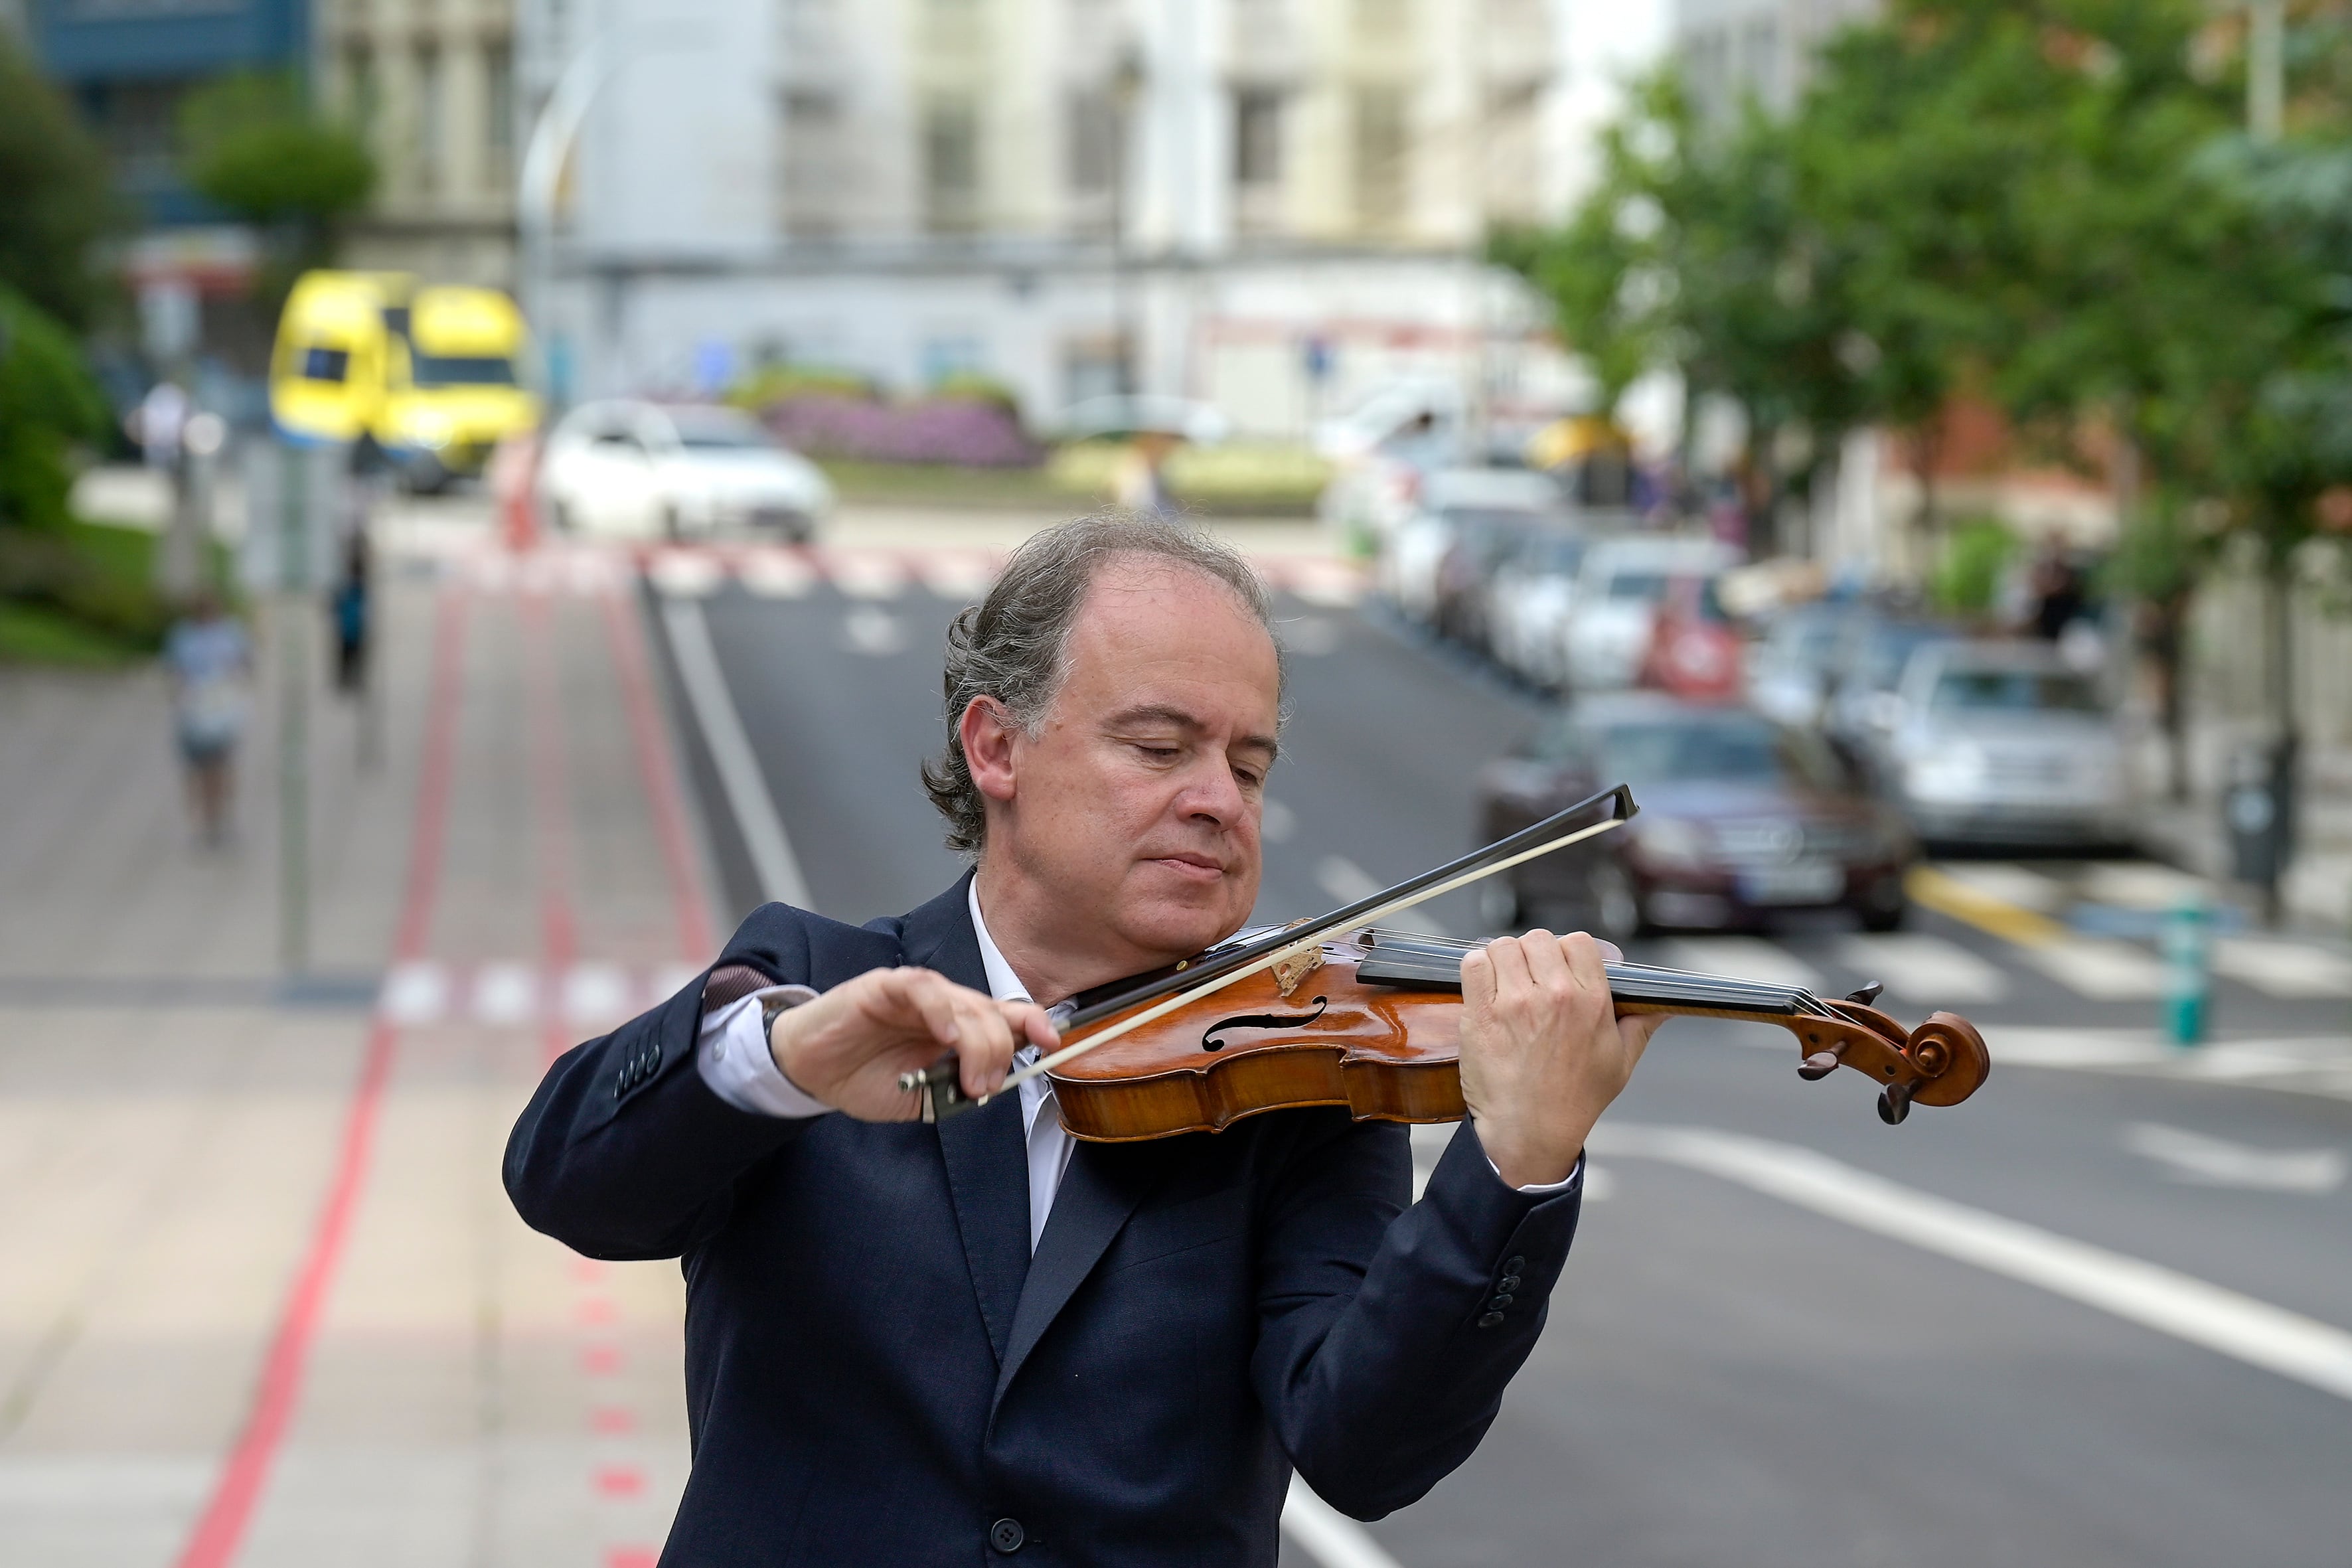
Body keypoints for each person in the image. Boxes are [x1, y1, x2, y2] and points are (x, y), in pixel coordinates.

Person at [505, 516, 1664, 1565]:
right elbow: (564, 1181)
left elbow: (1364, 1446)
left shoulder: (1296, 1082)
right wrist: (782, 1060)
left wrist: (1518, 1160)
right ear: (996, 748)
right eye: (1161, 748)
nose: (1219, 799)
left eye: (1246, 765)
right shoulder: (818, 989)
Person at [163, 590, 251, 847]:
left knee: (221, 769)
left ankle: (221, 820)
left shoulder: (230, 634)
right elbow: (176, 673)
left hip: (222, 711)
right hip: (195, 711)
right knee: (198, 772)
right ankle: (202, 823)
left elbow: (245, 665)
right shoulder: (183, 637)